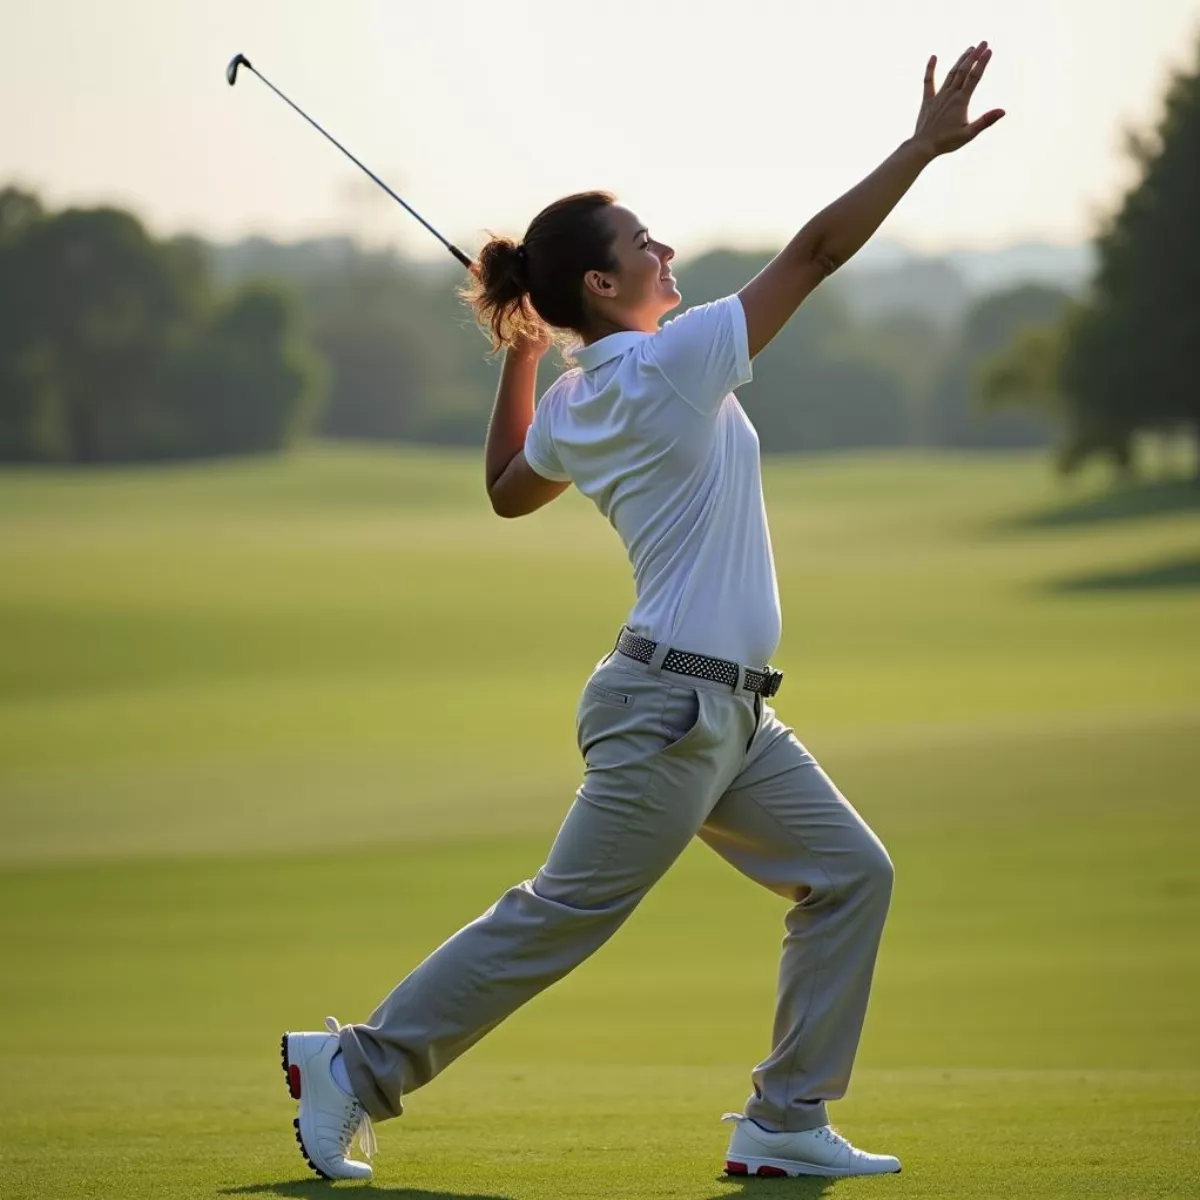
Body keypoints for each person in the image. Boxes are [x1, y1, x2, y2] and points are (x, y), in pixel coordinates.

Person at [279, 41, 1003, 1183]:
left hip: (727, 718)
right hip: (672, 709)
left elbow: (510, 487)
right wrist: (918, 149)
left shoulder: (585, 394)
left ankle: (783, 1119)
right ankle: (355, 1068)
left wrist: (519, 352)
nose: (664, 248)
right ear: (606, 289)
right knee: (563, 914)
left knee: (852, 874)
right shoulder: (670, 365)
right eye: (642, 242)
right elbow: (817, 252)